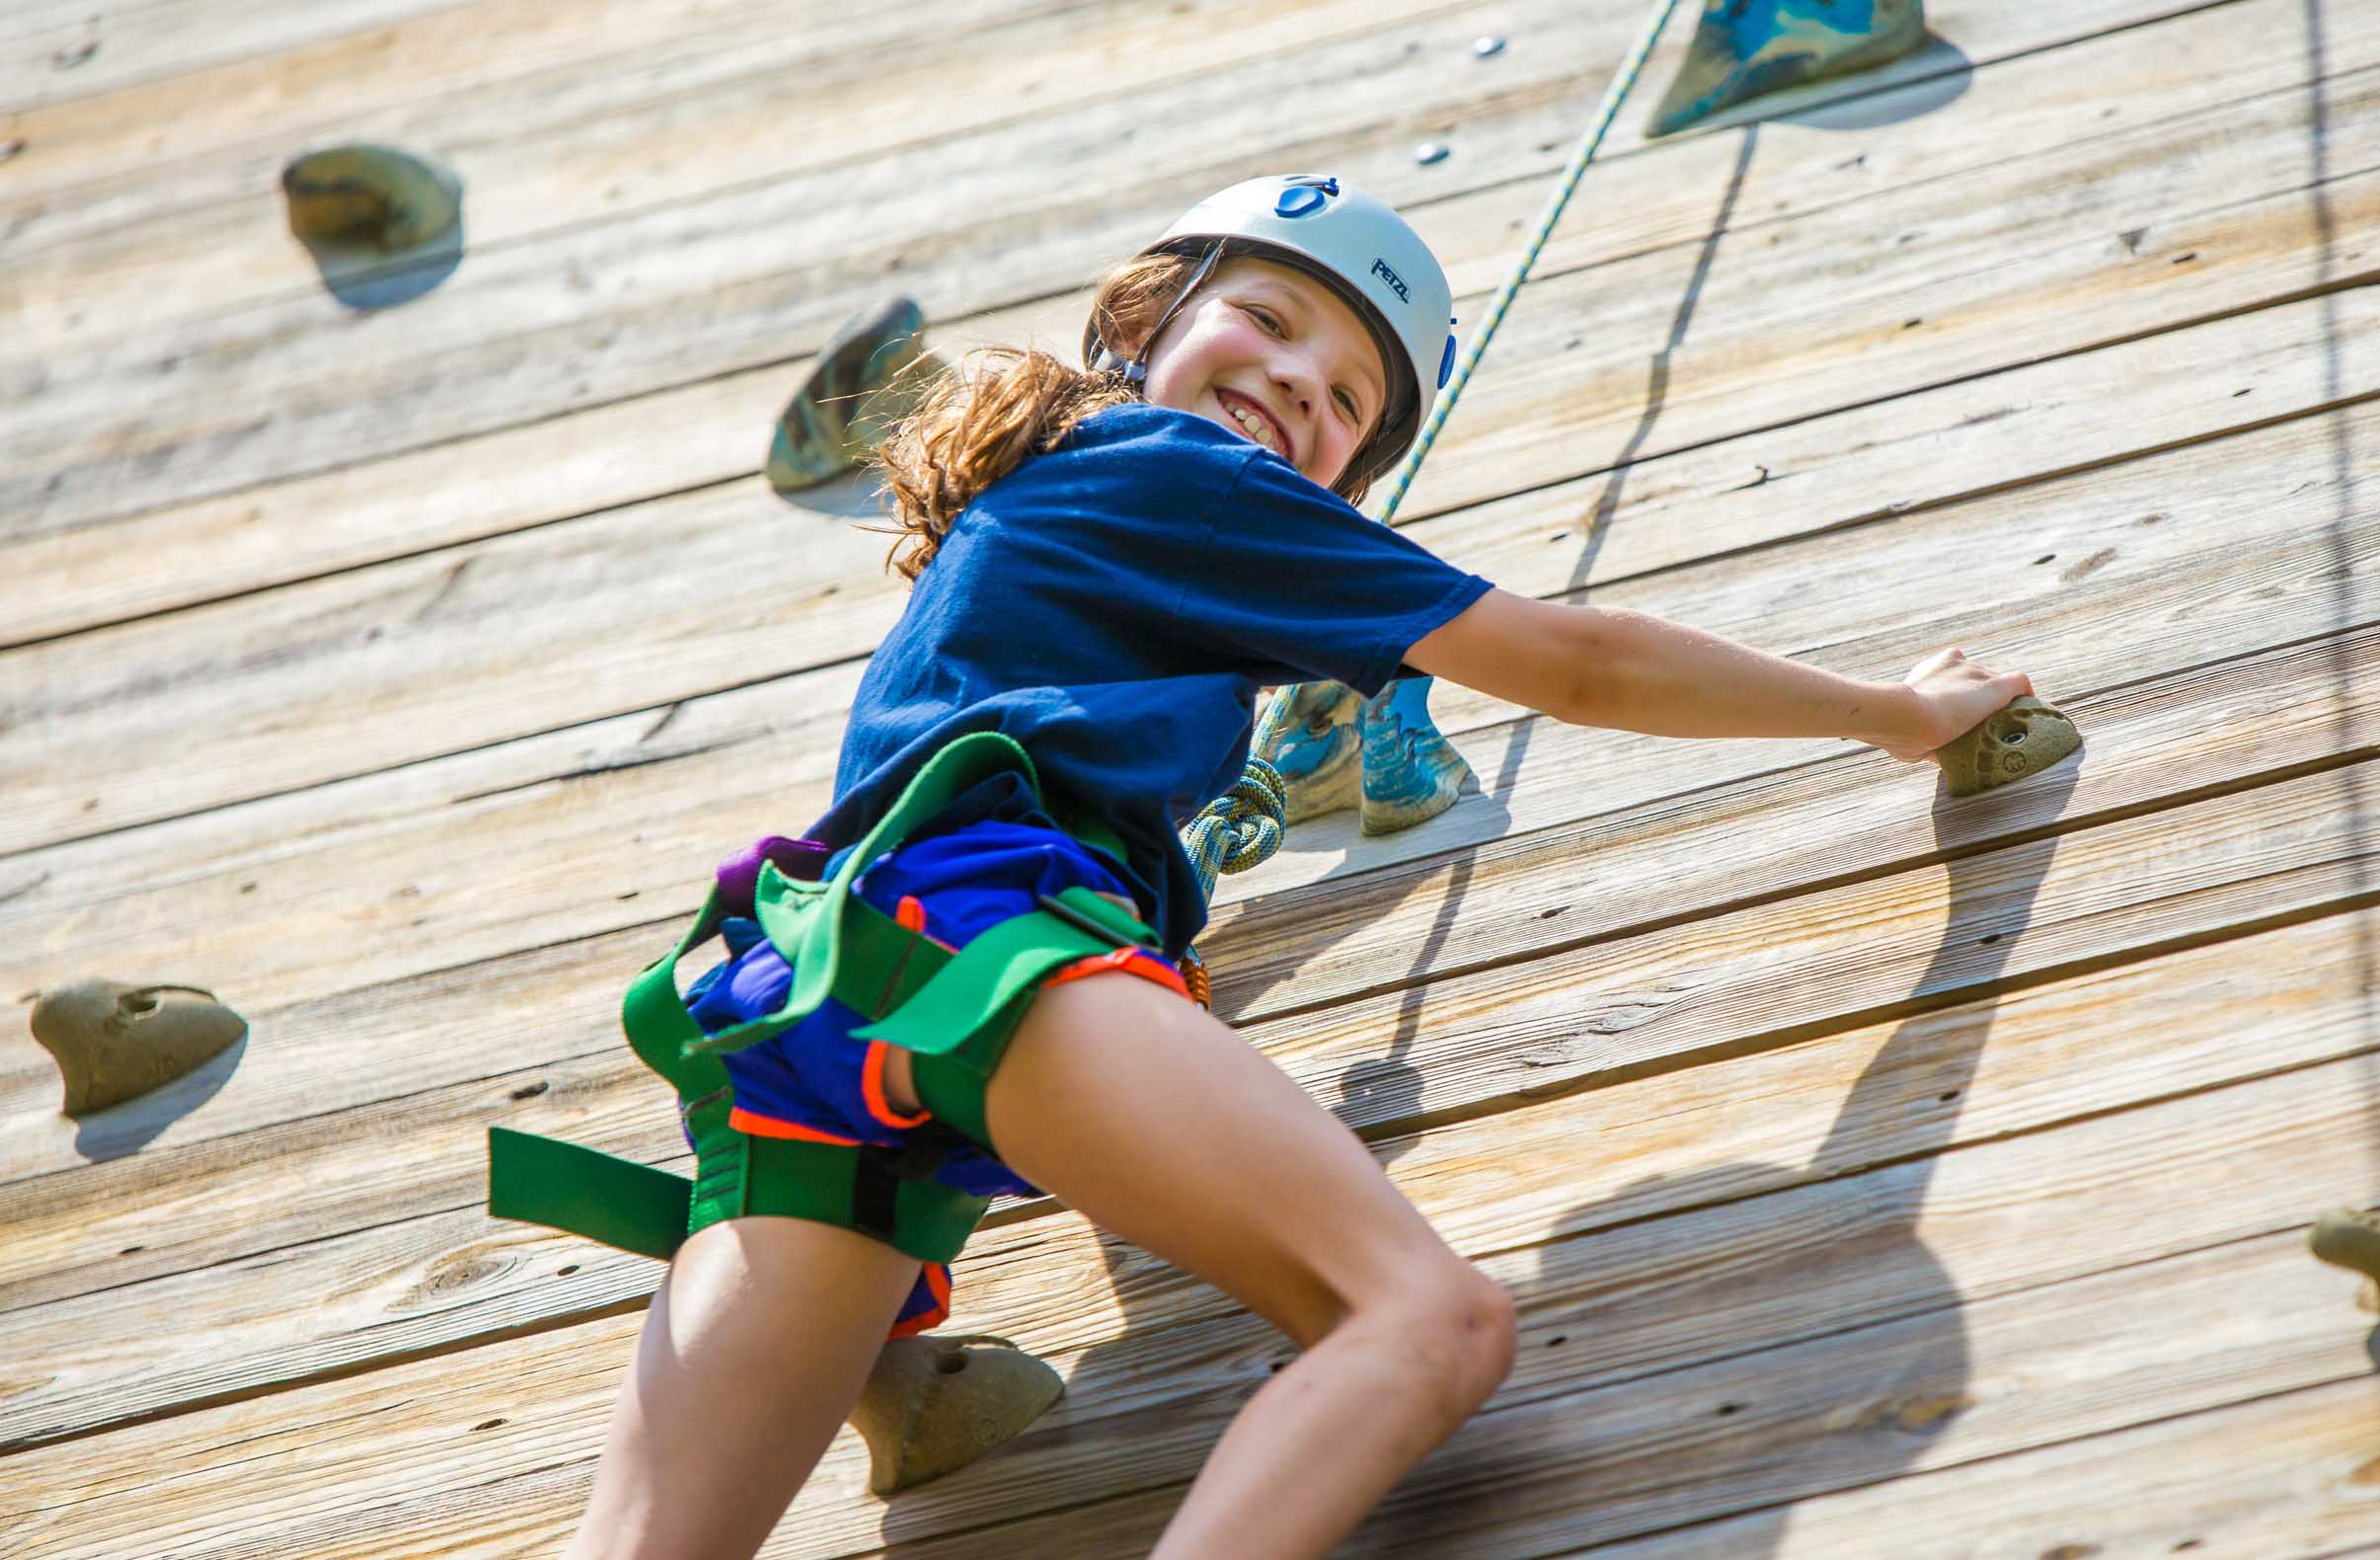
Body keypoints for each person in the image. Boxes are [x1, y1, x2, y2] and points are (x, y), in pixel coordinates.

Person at [558, 174, 2033, 1559]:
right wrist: (1893, 714)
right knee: (1426, 1324)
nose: (1295, 385)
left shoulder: (1039, 512)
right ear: (1144, 323)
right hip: (981, 945)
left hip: (815, 1003)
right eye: (1267, 321)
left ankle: (899, 1374)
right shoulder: (1179, 470)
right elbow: (1580, 664)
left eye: (1344, 403)